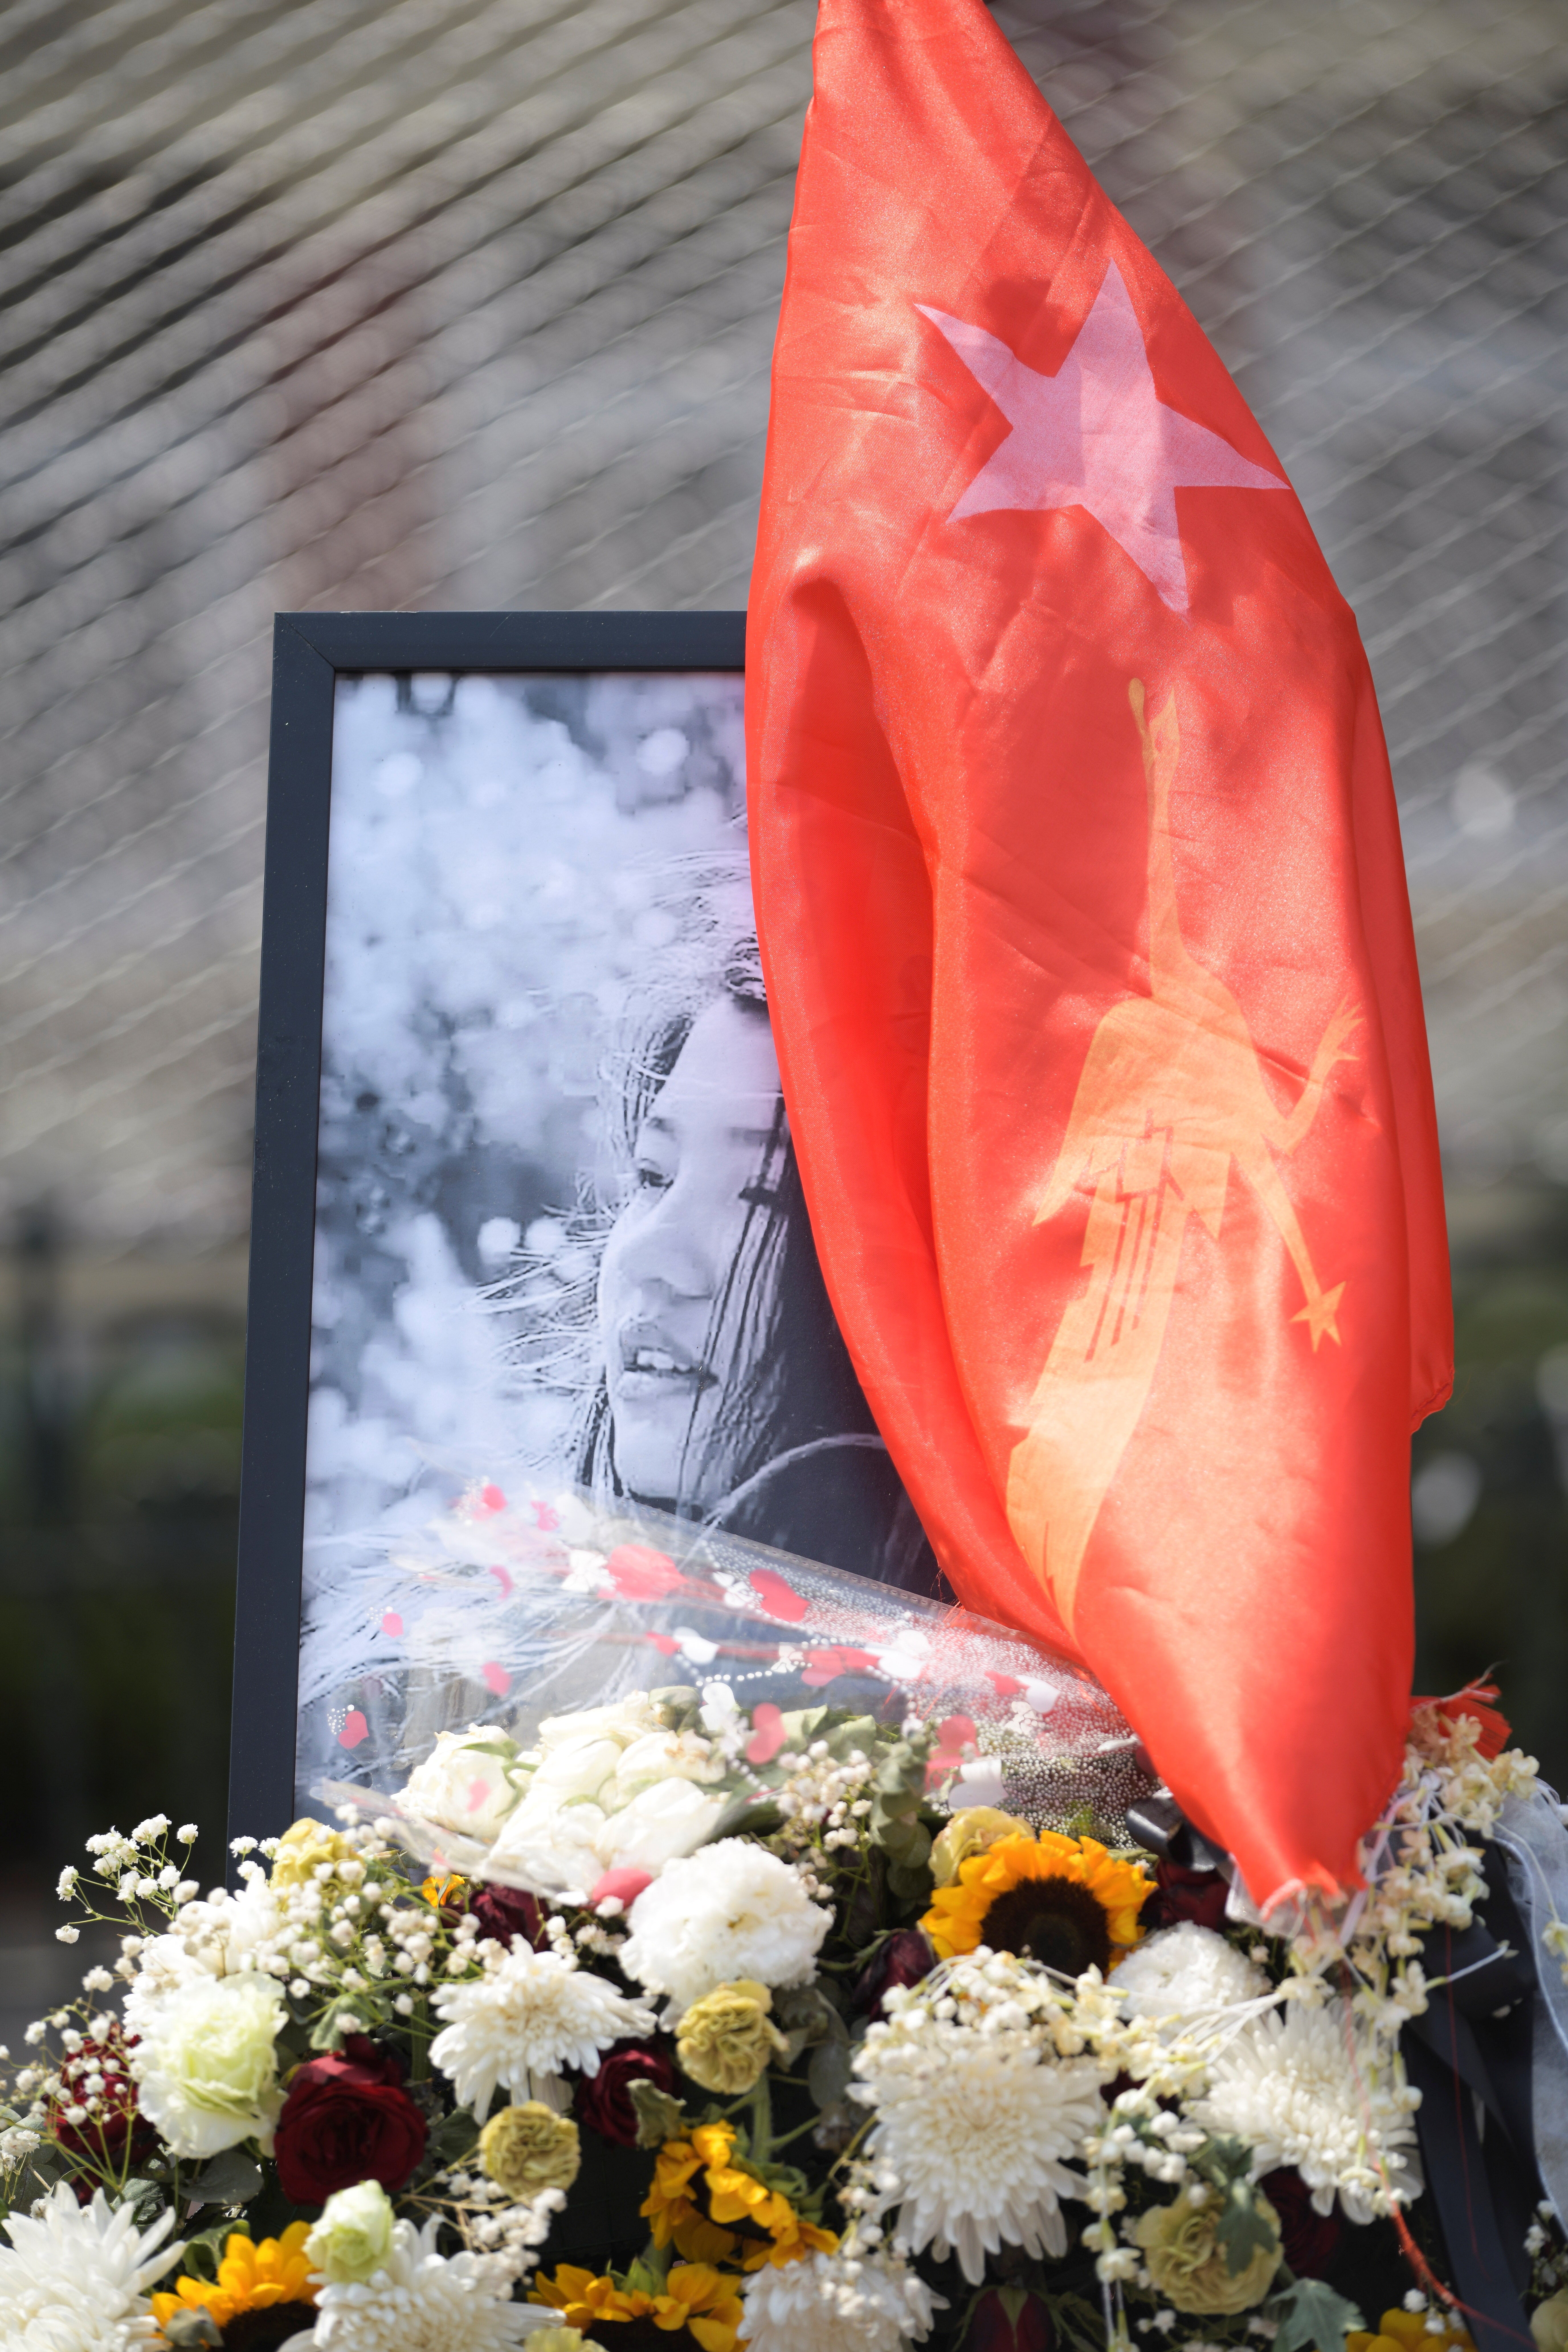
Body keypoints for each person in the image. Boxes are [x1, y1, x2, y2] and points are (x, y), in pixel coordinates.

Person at [516, 858, 945, 1597]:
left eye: (765, 1198)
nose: (652, 1257)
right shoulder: (465, 1655)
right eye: (654, 1176)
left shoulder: (1008, 1701)